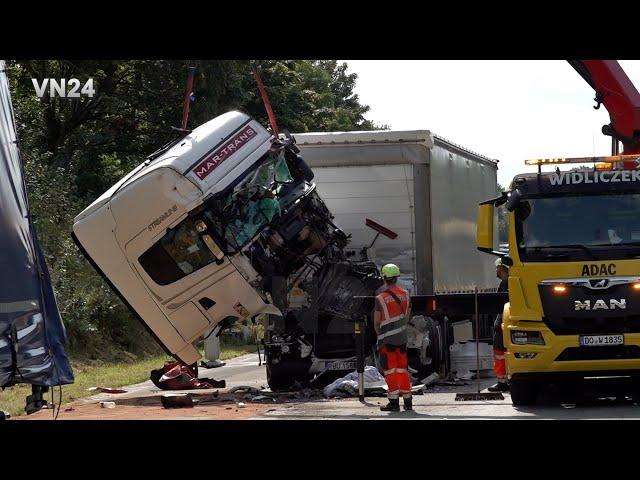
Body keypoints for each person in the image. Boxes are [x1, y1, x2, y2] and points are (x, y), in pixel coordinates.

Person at [374, 264, 413, 412]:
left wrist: (380, 336)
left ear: (384, 278)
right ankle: (408, 402)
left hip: (386, 340)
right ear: (397, 277)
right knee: (402, 369)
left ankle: (394, 403)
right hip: (402, 339)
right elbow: (407, 316)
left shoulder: (380, 298)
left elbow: (376, 322)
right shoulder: (406, 294)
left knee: (390, 371)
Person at [488, 257, 509, 392]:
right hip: (504, 321)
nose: (496, 270)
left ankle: (502, 381)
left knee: (500, 352)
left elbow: (501, 304)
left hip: (503, 322)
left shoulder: (506, 283)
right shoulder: (507, 282)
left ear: (503, 269)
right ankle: (505, 380)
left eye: (498, 268)